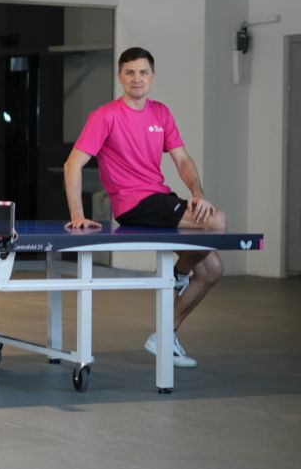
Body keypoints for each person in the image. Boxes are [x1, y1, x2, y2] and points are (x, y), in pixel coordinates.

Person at [63, 46, 226, 368]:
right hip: (132, 203)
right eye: (130, 72)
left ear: (152, 77)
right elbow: (72, 165)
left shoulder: (161, 113)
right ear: (120, 77)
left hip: (160, 197)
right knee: (217, 222)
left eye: (143, 72)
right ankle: (178, 273)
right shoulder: (104, 116)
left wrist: (197, 192)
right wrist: (78, 215)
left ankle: (164, 334)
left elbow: (182, 159)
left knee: (212, 269)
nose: (137, 78)